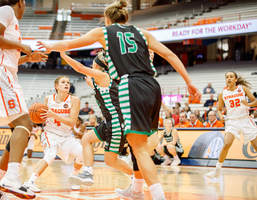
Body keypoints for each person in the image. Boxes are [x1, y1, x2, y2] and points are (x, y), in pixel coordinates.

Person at [36, 1, 200, 199]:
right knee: (137, 145)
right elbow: (170, 54)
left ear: (107, 19)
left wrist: (50, 46)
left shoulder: (104, 32)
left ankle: (158, 196)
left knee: (138, 148)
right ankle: (137, 189)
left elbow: (70, 44)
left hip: (130, 85)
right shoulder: (142, 33)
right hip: (153, 86)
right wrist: (189, 82)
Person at [0, 0, 48, 199]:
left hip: (5, 72)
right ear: (21, 2)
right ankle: (11, 178)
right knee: (25, 123)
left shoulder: (10, 18)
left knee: (20, 132)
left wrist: (27, 58)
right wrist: (22, 45)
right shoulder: (6, 10)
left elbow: (7, 55)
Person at [60, 51, 133, 187]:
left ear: (95, 64)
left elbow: (80, 68)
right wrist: (92, 86)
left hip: (116, 123)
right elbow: (107, 92)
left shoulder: (102, 75)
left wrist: (64, 56)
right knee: (86, 139)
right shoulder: (101, 80)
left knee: (110, 161)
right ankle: (87, 171)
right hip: (109, 121)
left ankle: (137, 178)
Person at [24, 76, 83, 191]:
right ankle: (30, 182)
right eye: (63, 82)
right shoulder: (48, 99)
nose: (66, 84)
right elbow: (42, 117)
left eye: (68, 82)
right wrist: (36, 117)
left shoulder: (74, 100)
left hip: (66, 137)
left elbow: (71, 122)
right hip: (50, 133)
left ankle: (73, 178)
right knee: (50, 155)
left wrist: (54, 115)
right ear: (56, 86)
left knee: (83, 153)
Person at [206, 71, 257, 179]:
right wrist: (221, 115)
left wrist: (248, 104)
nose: (228, 78)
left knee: (256, 146)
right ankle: (217, 170)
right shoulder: (222, 94)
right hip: (232, 122)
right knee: (226, 144)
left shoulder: (243, 89)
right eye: (227, 77)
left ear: (235, 79)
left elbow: (255, 101)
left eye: (231, 77)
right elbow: (219, 110)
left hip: (245, 120)